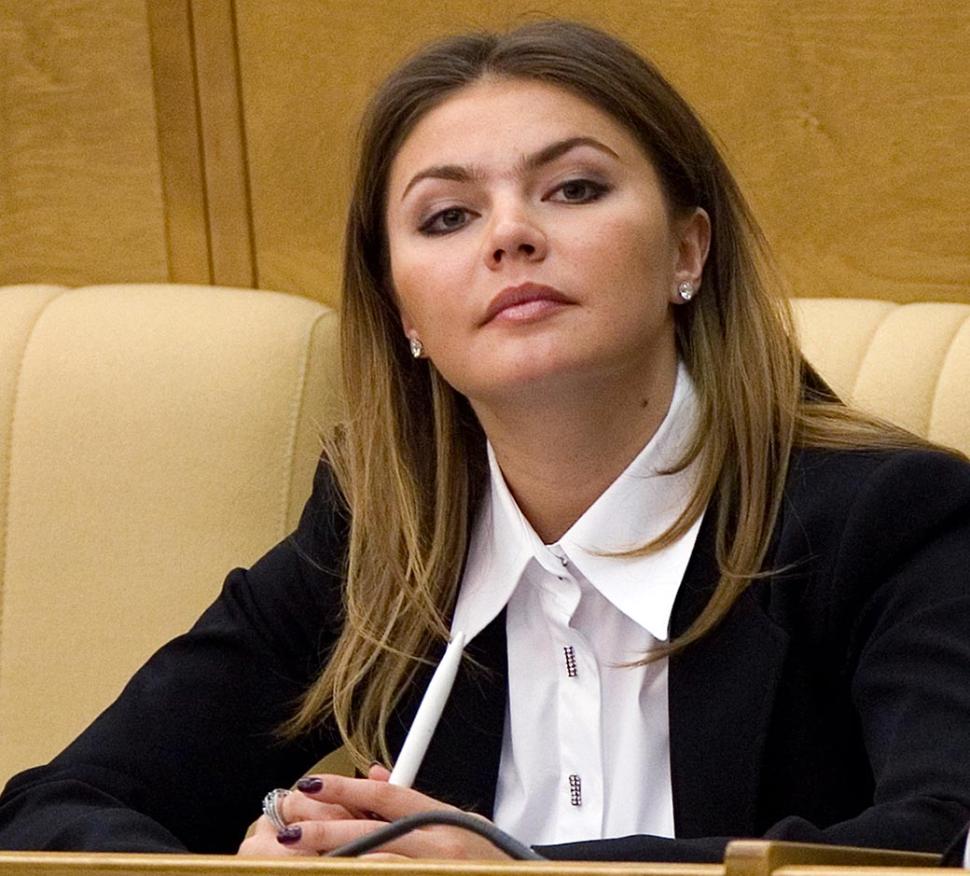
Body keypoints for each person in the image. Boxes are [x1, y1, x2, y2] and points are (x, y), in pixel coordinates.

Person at [2, 19, 970, 863]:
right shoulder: (380, 537)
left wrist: (514, 873)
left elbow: (940, 840)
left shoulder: (893, 522)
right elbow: (54, 811)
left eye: (574, 189)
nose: (509, 235)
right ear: (402, 311)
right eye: (449, 216)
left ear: (687, 250)